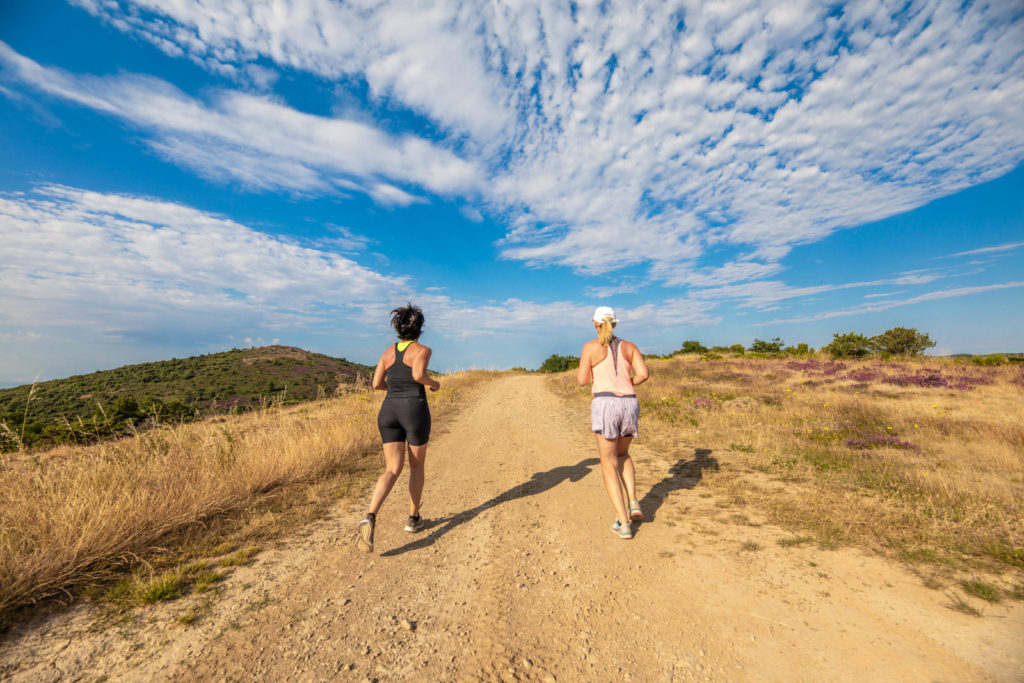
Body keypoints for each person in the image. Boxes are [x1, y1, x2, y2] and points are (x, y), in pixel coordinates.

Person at [357, 303, 440, 553]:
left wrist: (393, 391)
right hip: (414, 410)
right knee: (416, 466)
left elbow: (375, 384)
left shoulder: (387, 353)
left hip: (389, 411)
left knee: (392, 469)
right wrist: (433, 383)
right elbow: (417, 375)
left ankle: (370, 515)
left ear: (398, 328)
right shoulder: (423, 350)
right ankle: (413, 519)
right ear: (419, 328)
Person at [577, 306, 649, 539]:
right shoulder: (629, 346)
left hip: (605, 404)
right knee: (623, 455)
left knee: (608, 463)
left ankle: (623, 521)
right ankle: (634, 502)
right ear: (614, 324)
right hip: (629, 403)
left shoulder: (590, 347)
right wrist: (628, 382)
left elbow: (581, 380)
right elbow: (643, 374)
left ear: (595, 324)